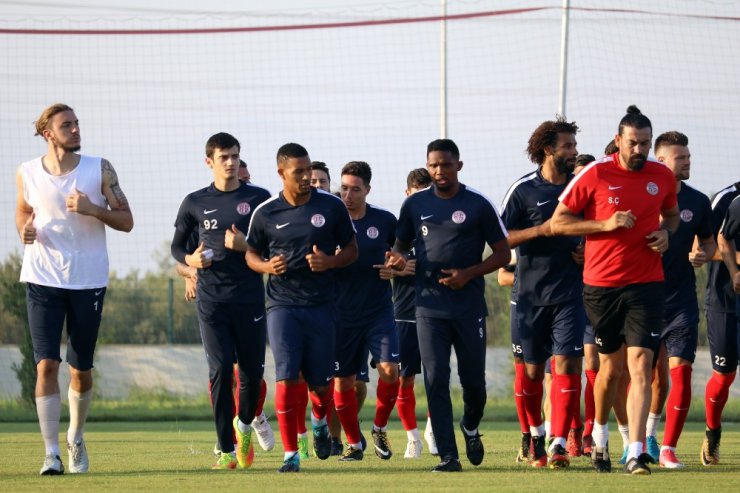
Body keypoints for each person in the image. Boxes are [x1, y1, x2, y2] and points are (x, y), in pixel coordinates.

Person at [551, 105, 680, 475]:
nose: (639, 150)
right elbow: (559, 223)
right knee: (610, 370)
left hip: (647, 285)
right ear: (618, 140)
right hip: (601, 286)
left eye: (645, 143)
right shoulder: (595, 173)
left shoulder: (662, 177)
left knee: (642, 365)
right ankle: (601, 437)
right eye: (633, 143)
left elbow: (671, 215)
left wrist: (666, 234)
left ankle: (636, 451)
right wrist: (605, 224)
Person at [16, 103, 134, 475]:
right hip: (42, 278)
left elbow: (127, 220)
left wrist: (92, 209)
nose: (76, 129)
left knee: (80, 369)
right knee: (47, 363)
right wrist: (25, 231)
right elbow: (23, 211)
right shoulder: (27, 172)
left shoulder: (99, 168)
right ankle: (50, 453)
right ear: (48, 133)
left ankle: (75, 437)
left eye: (77, 123)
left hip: (88, 280)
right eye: (67, 125)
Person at [394, 138, 510, 472]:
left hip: (469, 307)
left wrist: (469, 273)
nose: (439, 171)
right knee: (435, 378)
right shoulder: (415, 205)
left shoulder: (477, 204)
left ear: (458, 165)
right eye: (433, 165)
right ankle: (448, 455)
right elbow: (400, 247)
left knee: (474, 383)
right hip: (428, 308)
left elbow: (503, 253)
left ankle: (471, 427)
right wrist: (398, 260)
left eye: (445, 164)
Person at [245, 143, 359, 473]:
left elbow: (352, 249)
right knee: (285, 379)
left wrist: (330, 261)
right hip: (281, 305)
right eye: (299, 172)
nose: (307, 177)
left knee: (321, 387)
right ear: (281, 173)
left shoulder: (332, 207)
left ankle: (320, 422)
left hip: (323, 306)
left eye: (309, 170)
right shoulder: (266, 212)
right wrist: (266, 267)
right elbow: (251, 254)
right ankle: (290, 454)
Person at [171, 133, 270, 470]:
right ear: (209, 161)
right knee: (220, 370)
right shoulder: (194, 202)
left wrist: (246, 247)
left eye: (235, 156)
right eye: (224, 157)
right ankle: (226, 450)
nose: (231, 163)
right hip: (212, 301)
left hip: (250, 299)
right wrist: (190, 262)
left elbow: (274, 247)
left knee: (252, 376)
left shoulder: (260, 200)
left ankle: (243, 429)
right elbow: (176, 247)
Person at [500, 117, 584, 469]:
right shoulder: (523, 190)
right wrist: (541, 230)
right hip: (529, 297)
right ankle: (534, 433)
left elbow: (596, 228)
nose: (574, 151)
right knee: (532, 374)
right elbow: (501, 240)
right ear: (549, 149)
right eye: (568, 146)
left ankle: (559, 443)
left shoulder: (582, 186)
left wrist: (587, 249)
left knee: (566, 365)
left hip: (570, 294)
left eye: (574, 145)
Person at [645, 131, 715, 468]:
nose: (688, 162)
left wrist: (703, 253)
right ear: (661, 160)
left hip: (681, 301)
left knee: (681, 373)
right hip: (642, 300)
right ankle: (642, 437)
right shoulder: (641, 195)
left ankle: (669, 448)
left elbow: (711, 243)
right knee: (647, 376)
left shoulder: (699, 202)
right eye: (681, 157)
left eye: (688, 156)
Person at [333, 161, 406, 461]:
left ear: (368, 190)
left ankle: (378, 427)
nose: (348, 195)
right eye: (344, 188)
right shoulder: (329, 220)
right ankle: (354, 442)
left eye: (355, 189)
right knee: (344, 383)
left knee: (391, 371)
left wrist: (396, 266)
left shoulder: (385, 220)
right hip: (341, 315)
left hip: (378, 312)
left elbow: (402, 254)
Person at [388, 168, 434, 459]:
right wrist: (406, 265)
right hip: (404, 313)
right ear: (407, 194)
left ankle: (433, 429)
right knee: (404, 379)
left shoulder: (438, 227)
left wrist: (410, 265)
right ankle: (413, 438)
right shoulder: (396, 228)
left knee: (435, 377)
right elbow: (391, 263)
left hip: (436, 312)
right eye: (415, 194)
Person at [702, 180, 740, 465]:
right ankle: (712, 432)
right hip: (725, 300)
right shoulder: (727, 198)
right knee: (724, 375)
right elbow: (702, 248)